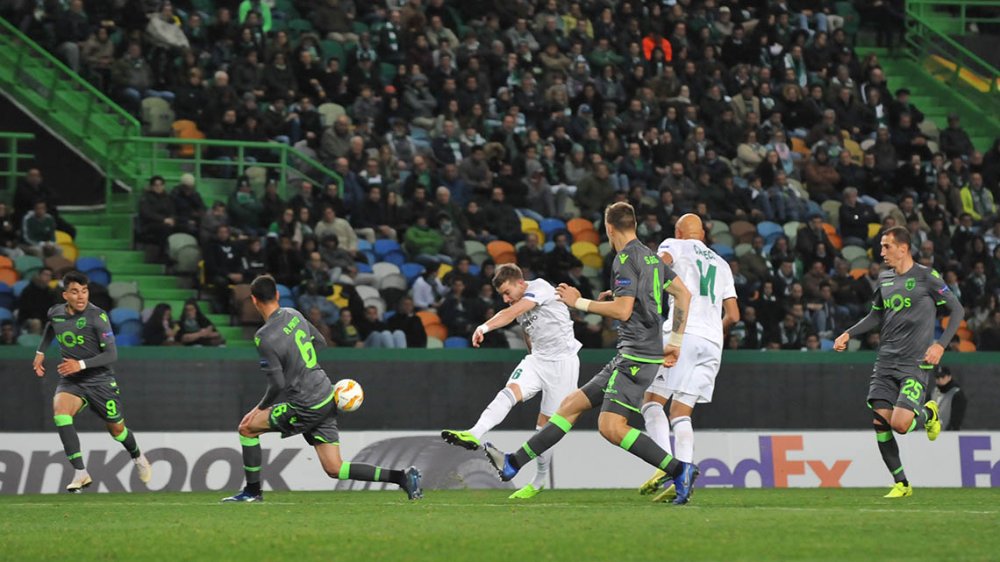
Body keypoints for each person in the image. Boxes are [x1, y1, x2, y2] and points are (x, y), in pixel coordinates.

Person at [482, 202, 701, 505]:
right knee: (570, 405)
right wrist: (675, 341)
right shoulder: (650, 256)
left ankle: (679, 469)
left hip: (636, 356)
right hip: (636, 352)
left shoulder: (624, 259)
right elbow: (682, 294)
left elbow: (623, 312)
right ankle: (512, 463)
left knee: (610, 427)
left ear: (609, 228)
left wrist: (578, 302)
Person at [221, 275, 422, 502]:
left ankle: (252, 492)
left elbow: (277, 384)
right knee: (334, 468)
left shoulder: (264, 337)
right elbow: (320, 342)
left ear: (254, 300)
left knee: (247, 428)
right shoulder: (293, 314)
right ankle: (402, 477)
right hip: (326, 395)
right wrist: (302, 365)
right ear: (277, 295)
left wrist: (259, 408)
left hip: (305, 404)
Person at [834, 226, 965, 498]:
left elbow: (957, 309)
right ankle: (902, 484)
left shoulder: (927, 277)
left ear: (903, 248)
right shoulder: (884, 279)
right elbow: (875, 316)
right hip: (885, 362)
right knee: (881, 422)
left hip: (914, 363)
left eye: (887, 246)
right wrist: (849, 333)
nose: (881, 252)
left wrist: (940, 345)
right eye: (881, 246)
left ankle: (929, 414)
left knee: (901, 425)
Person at [441, 264, 582, 500]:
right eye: (502, 295)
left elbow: (513, 312)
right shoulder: (516, 304)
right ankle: (474, 433)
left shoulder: (540, 288)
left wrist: (484, 327)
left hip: (562, 364)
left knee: (545, 428)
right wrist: (532, 355)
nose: (506, 299)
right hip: (537, 360)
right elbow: (527, 331)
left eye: (507, 292)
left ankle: (539, 481)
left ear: (520, 283)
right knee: (509, 391)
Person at [638, 214, 740, 502]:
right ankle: (683, 478)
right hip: (712, 343)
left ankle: (668, 466)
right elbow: (733, 315)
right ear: (703, 235)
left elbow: (659, 266)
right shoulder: (722, 264)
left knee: (651, 402)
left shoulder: (675, 245)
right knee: (681, 413)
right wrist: (712, 333)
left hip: (682, 335)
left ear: (679, 232)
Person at [32, 271, 152, 492]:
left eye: (84, 291)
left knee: (117, 431)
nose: (81, 296)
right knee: (60, 412)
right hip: (72, 380)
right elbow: (51, 327)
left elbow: (111, 355)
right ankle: (80, 472)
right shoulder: (55, 312)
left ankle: (137, 456)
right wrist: (40, 352)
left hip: (100, 380)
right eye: (75, 292)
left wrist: (80, 364)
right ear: (65, 295)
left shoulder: (98, 316)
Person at [930, 366, 966, 431]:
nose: (940, 379)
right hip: (932, 432)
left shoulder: (957, 394)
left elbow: (956, 419)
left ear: (949, 377)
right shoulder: (933, 393)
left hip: (949, 433)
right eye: (937, 377)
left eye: (943, 377)